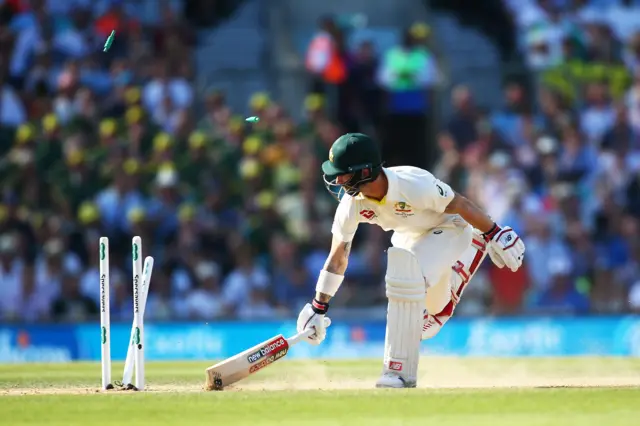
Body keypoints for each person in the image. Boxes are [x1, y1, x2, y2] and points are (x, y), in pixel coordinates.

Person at [295, 133, 526, 388]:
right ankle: (447, 295)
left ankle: (397, 372)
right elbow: (338, 257)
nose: (337, 180)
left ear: (364, 171)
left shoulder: (413, 183)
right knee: (428, 310)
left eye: (343, 174)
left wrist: (494, 232)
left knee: (408, 277)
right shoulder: (352, 205)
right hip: (409, 236)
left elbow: (459, 203)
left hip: (450, 228)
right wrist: (319, 307)